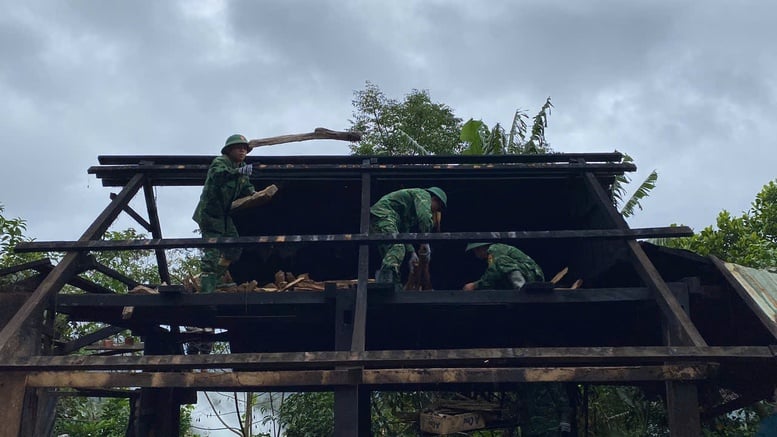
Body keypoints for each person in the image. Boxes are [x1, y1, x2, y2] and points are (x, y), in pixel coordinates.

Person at [193, 134, 256, 293]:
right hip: (210, 214)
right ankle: (207, 287)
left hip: (224, 216)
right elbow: (219, 175)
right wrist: (239, 171)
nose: (243, 151)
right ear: (229, 150)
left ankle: (217, 279)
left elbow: (246, 187)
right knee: (212, 250)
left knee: (234, 247)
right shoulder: (220, 163)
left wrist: (255, 194)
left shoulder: (241, 167)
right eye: (239, 148)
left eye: (245, 149)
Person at [370, 187, 447, 284]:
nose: (434, 212)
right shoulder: (424, 195)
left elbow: (403, 231)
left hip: (380, 219)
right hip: (384, 215)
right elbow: (424, 217)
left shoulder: (410, 210)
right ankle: (385, 279)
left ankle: (393, 283)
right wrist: (425, 240)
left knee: (390, 254)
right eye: (438, 208)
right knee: (397, 247)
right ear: (435, 199)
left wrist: (411, 252)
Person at [463, 242, 544, 291]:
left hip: (531, 275)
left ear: (479, 249)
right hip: (527, 274)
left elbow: (492, 273)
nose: (476, 255)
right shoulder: (492, 254)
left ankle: (520, 286)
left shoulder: (494, 249)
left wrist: (475, 285)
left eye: (475, 252)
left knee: (502, 261)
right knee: (500, 275)